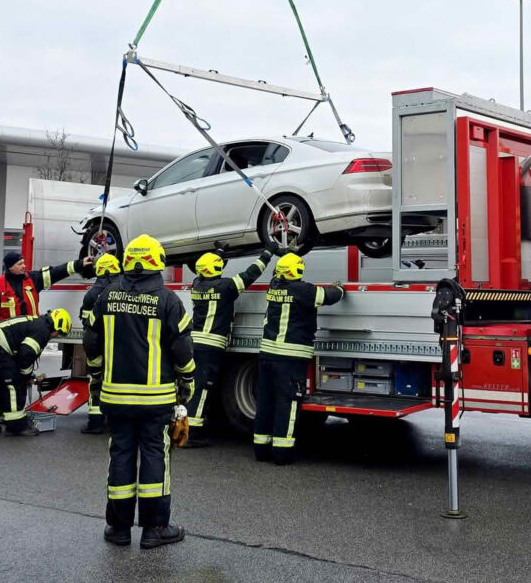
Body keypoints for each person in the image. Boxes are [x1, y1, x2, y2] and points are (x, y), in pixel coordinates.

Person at [87, 234, 195, 549]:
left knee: (120, 455)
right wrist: (187, 380)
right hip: (155, 400)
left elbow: (91, 340)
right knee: (154, 458)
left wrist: (96, 373)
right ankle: (155, 529)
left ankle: (118, 529)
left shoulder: (106, 296)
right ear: (156, 262)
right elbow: (182, 347)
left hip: (115, 397)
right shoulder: (168, 299)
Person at [253, 252, 344, 465]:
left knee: (265, 402)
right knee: (287, 403)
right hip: (290, 358)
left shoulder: (273, 287)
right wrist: (339, 288)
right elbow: (328, 297)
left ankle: (261, 450)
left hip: (267, 355)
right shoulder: (302, 290)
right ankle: (281, 454)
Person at [0, 251, 92, 414]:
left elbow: (55, 272)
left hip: (25, 338)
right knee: (10, 380)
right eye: (19, 264)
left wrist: (80, 264)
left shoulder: (32, 279)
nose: (24, 266)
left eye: (24, 263)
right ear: (10, 267)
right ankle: (11, 417)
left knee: (5, 380)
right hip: (5, 343)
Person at [185, 249, 272, 447]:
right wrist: (266, 255)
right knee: (203, 389)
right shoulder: (225, 287)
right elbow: (250, 275)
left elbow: (214, 273)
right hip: (210, 345)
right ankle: (192, 434)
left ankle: (190, 428)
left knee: (196, 387)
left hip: (195, 343)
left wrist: (219, 255)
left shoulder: (196, 285)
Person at [0, 308, 73, 435]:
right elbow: (25, 355)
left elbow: (22, 354)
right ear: (57, 325)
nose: (57, 336)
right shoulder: (42, 330)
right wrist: (26, 376)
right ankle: (17, 425)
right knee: (13, 384)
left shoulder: (36, 323)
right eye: (60, 332)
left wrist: (28, 373)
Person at [79, 253, 122, 434]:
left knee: (96, 382)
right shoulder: (122, 289)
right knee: (119, 383)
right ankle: (117, 421)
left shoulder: (92, 294)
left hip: (97, 346)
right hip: (119, 347)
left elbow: (87, 324)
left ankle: (95, 422)